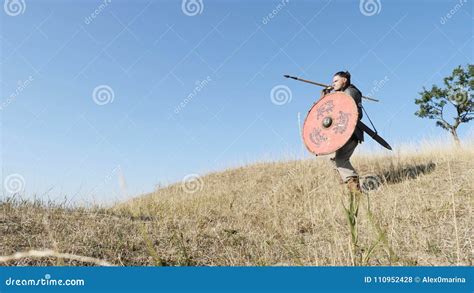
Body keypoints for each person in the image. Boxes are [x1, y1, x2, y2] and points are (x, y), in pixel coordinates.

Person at [320, 71, 363, 193]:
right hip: (344, 132)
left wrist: (331, 97)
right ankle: (348, 188)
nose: (333, 84)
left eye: (335, 81)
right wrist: (325, 98)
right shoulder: (343, 93)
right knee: (335, 159)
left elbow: (344, 112)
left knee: (341, 160)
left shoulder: (350, 92)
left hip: (351, 132)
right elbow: (328, 114)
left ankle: (355, 191)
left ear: (344, 80)